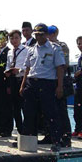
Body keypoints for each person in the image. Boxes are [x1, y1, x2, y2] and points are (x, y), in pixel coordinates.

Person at [19, 23, 65, 152]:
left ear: (46, 34)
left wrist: (60, 86)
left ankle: (56, 140)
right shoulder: (31, 49)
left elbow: (60, 68)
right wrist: (23, 85)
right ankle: (28, 140)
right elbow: (27, 68)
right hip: (32, 83)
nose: (39, 37)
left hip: (47, 83)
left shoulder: (54, 48)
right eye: (37, 35)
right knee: (29, 113)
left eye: (41, 34)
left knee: (50, 113)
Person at [45, 25, 72, 147]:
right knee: (49, 111)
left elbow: (63, 64)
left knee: (61, 111)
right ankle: (50, 135)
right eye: (48, 34)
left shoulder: (62, 46)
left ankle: (66, 137)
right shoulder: (44, 47)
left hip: (59, 81)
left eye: (51, 33)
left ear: (56, 33)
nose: (49, 36)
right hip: (48, 81)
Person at [5, 29, 28, 134]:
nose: (14, 40)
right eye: (12, 38)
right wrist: (7, 71)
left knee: (25, 106)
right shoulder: (10, 52)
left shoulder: (26, 50)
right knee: (15, 108)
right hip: (12, 79)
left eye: (16, 38)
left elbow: (28, 65)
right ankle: (20, 131)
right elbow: (8, 64)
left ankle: (27, 130)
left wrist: (20, 70)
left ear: (20, 38)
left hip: (22, 78)